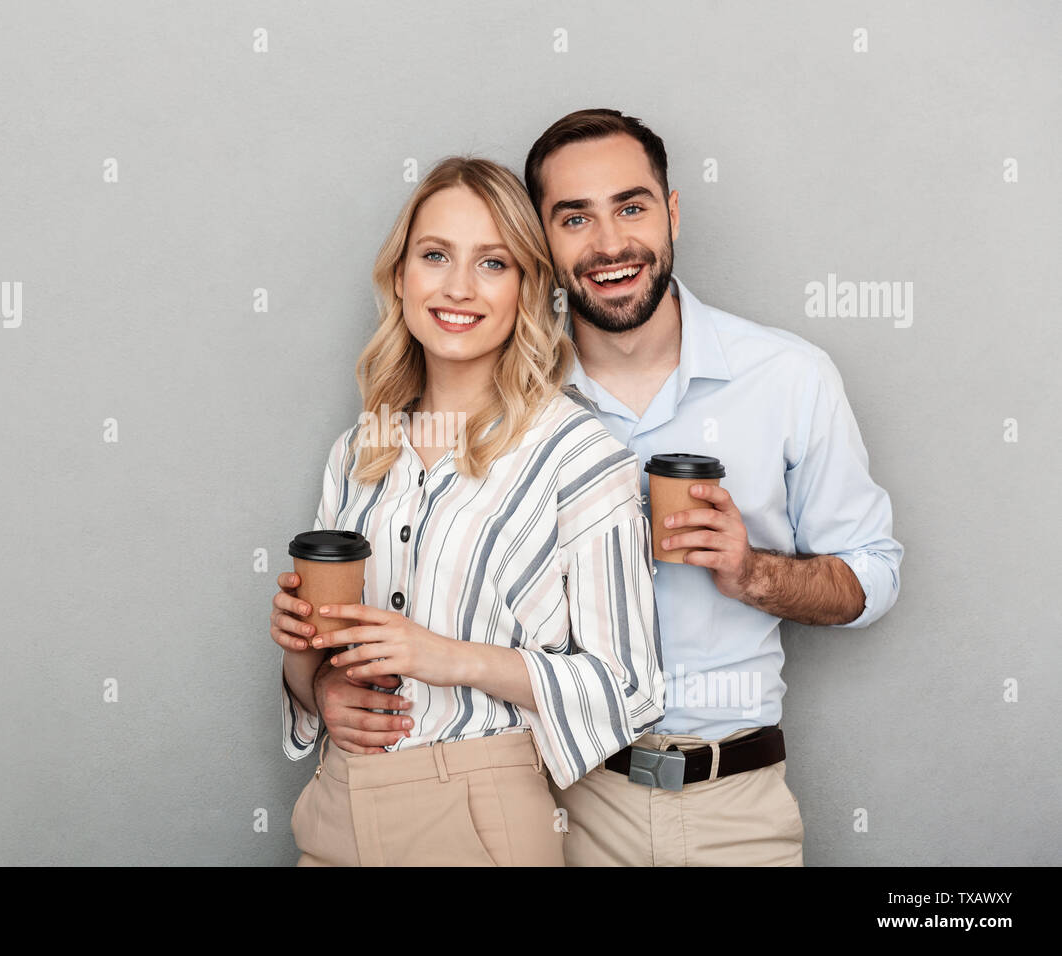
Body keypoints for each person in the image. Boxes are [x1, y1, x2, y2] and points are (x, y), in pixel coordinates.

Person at [311, 111, 904, 867]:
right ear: (543, 248)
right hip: (564, 792)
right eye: (574, 218)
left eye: (631, 206)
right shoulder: (510, 401)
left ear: (673, 211)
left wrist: (751, 569)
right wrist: (325, 687)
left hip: (729, 795)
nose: (610, 243)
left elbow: (875, 573)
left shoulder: (789, 378)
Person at [270, 156, 665, 866]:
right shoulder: (360, 450)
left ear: (529, 288)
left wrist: (447, 658)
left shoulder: (579, 455)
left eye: (493, 263)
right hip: (335, 810)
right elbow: (318, 674)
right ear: (401, 276)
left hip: (477, 820)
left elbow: (628, 686)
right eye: (435, 256)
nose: (458, 287)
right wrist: (313, 673)